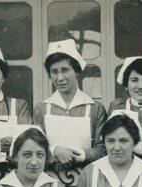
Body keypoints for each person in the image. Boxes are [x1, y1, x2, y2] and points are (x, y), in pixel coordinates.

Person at [32, 40, 107, 168]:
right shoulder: (42, 109)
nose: (60, 78)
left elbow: (103, 148)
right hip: (51, 177)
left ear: (77, 71)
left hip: (86, 177)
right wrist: (55, 150)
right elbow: (34, 146)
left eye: (65, 70)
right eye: (54, 72)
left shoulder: (95, 108)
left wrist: (80, 155)